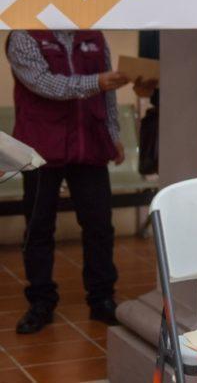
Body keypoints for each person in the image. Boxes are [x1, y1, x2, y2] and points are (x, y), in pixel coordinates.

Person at [5, 29, 130, 334]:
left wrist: (113, 134)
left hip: (89, 144)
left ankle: (102, 299)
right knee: (38, 228)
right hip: (41, 147)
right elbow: (44, 83)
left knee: (100, 226)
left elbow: (108, 93)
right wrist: (96, 82)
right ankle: (41, 302)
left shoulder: (94, 36)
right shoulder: (23, 35)